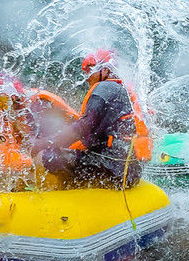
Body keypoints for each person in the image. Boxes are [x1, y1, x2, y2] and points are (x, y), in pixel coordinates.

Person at [30, 49, 151, 190]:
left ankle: (58, 200)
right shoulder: (118, 90)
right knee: (64, 152)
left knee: (46, 156)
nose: (87, 77)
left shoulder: (105, 88)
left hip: (113, 169)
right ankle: (74, 190)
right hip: (127, 171)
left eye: (89, 71)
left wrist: (44, 143)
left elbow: (83, 126)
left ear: (105, 71)